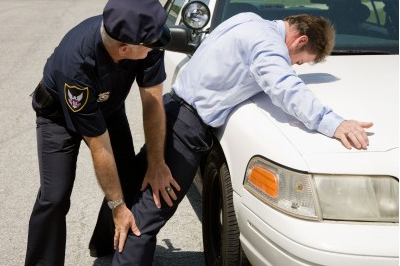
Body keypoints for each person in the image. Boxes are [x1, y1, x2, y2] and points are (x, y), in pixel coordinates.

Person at [91, 12, 373, 266]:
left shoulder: (247, 19)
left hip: (172, 110)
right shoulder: (268, 45)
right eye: (298, 61)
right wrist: (334, 123)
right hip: (187, 128)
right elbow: (285, 87)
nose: (294, 65)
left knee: (134, 181)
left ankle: (102, 244)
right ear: (299, 40)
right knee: (152, 213)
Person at [24, 0, 179, 265]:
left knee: (129, 174)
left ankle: (105, 242)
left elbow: (152, 105)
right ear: (124, 49)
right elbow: (100, 147)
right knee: (55, 196)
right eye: (152, 44)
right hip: (58, 116)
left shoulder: (144, 39)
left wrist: (156, 162)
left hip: (108, 107)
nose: (159, 44)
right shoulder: (77, 67)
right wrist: (117, 206)